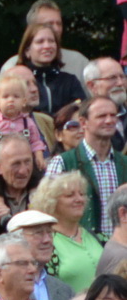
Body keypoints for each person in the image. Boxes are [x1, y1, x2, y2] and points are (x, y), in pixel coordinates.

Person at [44, 97, 126, 237]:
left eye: (113, 115)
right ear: (83, 122)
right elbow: (46, 210)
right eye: (101, 116)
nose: (109, 120)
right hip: (80, 249)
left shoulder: (124, 162)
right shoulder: (62, 162)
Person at [31, 172, 104, 295]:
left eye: (82, 194)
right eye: (70, 195)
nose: (80, 199)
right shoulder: (45, 243)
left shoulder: (99, 237)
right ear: (51, 201)